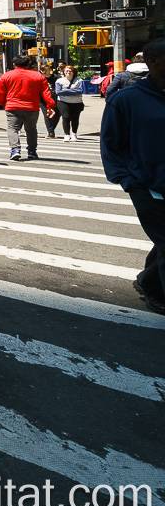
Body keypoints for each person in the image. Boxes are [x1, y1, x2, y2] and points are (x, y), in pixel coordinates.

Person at [100, 38, 165, 314]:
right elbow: (110, 144)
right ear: (152, 62)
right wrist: (128, 180)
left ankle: (148, 282)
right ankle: (158, 293)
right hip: (145, 184)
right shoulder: (126, 99)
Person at [0, 54, 56, 161]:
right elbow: (46, 93)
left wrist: (3, 103)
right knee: (31, 130)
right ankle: (32, 152)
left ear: (14, 64)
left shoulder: (6, 76)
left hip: (13, 106)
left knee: (13, 128)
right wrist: (50, 105)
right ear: (28, 64)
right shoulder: (38, 76)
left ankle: (15, 150)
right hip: (32, 107)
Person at [53, 65, 86, 141]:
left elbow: (81, 91)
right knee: (66, 117)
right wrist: (74, 91)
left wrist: (65, 91)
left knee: (75, 118)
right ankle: (67, 134)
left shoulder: (79, 80)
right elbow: (58, 92)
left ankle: (74, 134)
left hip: (77, 103)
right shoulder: (59, 81)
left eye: (70, 71)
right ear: (64, 72)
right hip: (63, 102)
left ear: (73, 72)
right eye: (66, 71)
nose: (68, 72)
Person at [41, 63, 61, 138]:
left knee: (57, 114)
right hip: (43, 100)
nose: (44, 72)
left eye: (46, 70)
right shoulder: (40, 78)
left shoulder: (56, 77)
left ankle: (51, 129)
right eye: (43, 70)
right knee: (47, 115)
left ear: (50, 70)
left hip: (55, 98)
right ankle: (51, 132)